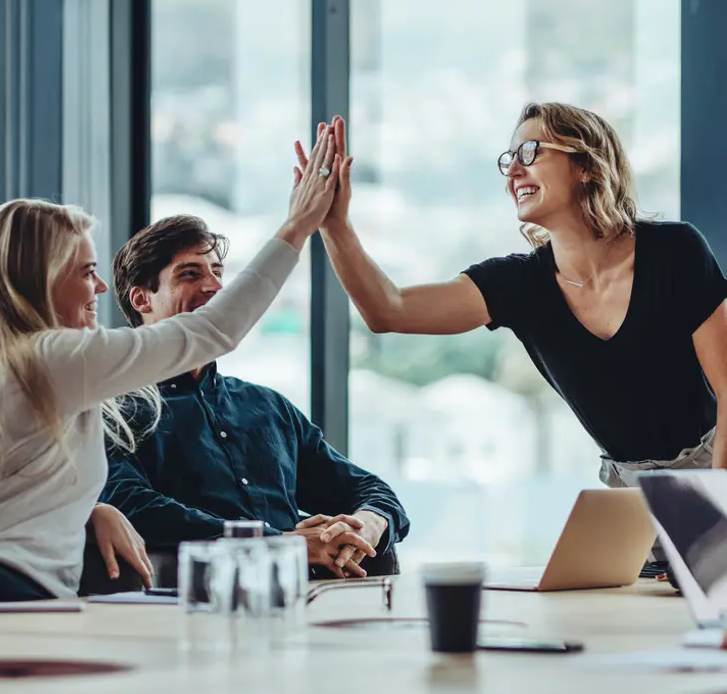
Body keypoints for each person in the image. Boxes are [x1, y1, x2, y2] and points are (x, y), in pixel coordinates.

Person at [0, 126, 339, 606]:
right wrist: (296, 228)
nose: (99, 289)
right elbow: (213, 330)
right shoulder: (50, 358)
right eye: (85, 272)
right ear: (40, 280)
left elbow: (8, 490)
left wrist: (91, 510)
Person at [295, 106, 727, 497]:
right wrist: (334, 224)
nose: (512, 174)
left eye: (529, 153)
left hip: (718, 470)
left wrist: (714, 518)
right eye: (508, 161)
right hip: (631, 499)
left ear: (586, 166)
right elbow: (387, 310)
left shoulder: (675, 251)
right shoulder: (519, 284)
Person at [100, 215, 410, 580]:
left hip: (310, 602)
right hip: (192, 607)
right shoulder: (113, 410)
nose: (215, 286)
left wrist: (366, 525)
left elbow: (369, 489)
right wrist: (279, 543)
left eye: (217, 271)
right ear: (142, 298)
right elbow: (133, 506)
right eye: (190, 274)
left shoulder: (267, 406)